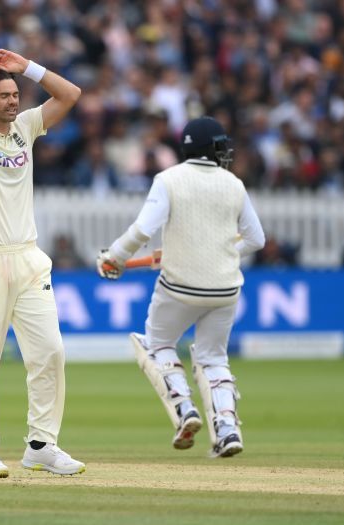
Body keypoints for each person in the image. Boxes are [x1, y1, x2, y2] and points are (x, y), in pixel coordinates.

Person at [0, 48, 85, 478]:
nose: (12, 101)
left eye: (14, 94)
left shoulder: (25, 128)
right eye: (3, 95)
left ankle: (41, 445)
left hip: (29, 258)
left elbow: (71, 95)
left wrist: (28, 68)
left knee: (50, 352)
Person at [96, 116, 265, 458]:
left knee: (156, 345)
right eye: (221, 146)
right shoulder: (233, 183)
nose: (225, 153)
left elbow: (144, 229)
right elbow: (256, 240)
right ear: (209, 148)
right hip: (225, 288)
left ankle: (185, 408)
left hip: (179, 287)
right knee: (213, 358)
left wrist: (114, 256)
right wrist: (217, 250)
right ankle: (228, 429)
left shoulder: (169, 179)